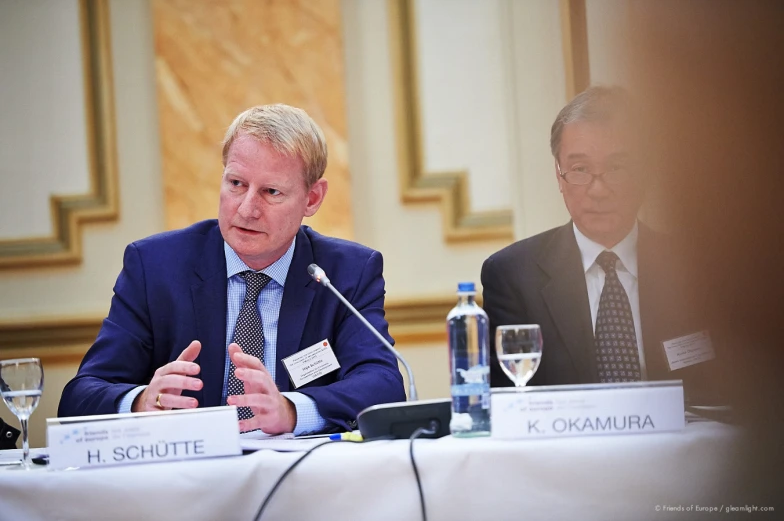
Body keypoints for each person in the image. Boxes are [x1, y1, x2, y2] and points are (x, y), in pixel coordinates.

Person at [58, 104, 406, 435]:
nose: (247, 208)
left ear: (312, 198)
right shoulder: (155, 267)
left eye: (271, 192)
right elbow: (80, 396)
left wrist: (291, 410)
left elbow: (383, 384)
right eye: (236, 184)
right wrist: (140, 402)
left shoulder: (346, 272)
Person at [481, 86, 718, 402]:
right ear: (559, 176)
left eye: (616, 168)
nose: (598, 189)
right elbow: (509, 404)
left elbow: (726, 389)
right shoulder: (513, 276)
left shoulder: (695, 265)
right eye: (580, 169)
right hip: (566, 450)